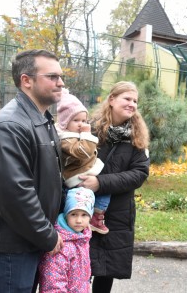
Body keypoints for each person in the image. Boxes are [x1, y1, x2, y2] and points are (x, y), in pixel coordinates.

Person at [0, 49, 64, 292]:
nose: (61, 82)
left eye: (60, 76)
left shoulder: (41, 119)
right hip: (13, 246)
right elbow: (15, 194)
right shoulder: (9, 126)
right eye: (52, 76)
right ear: (26, 80)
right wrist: (47, 237)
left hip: (32, 239)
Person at [78, 81, 150, 292]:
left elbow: (139, 174)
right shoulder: (90, 129)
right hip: (83, 208)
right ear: (111, 100)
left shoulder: (136, 137)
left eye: (135, 101)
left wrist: (101, 183)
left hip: (117, 213)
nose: (132, 104)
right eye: (127, 99)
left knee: (106, 270)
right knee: (81, 267)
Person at [55, 88, 109, 234]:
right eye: (76, 120)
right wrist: (86, 134)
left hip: (82, 171)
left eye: (84, 121)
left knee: (105, 189)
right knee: (97, 194)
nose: (81, 124)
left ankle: (95, 214)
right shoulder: (65, 139)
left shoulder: (73, 135)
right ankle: (94, 215)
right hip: (75, 177)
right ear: (65, 122)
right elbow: (83, 152)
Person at [38, 187, 95, 292]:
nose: (78, 220)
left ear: (90, 216)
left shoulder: (83, 239)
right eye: (73, 214)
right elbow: (53, 284)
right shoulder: (61, 245)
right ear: (66, 215)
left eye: (84, 215)